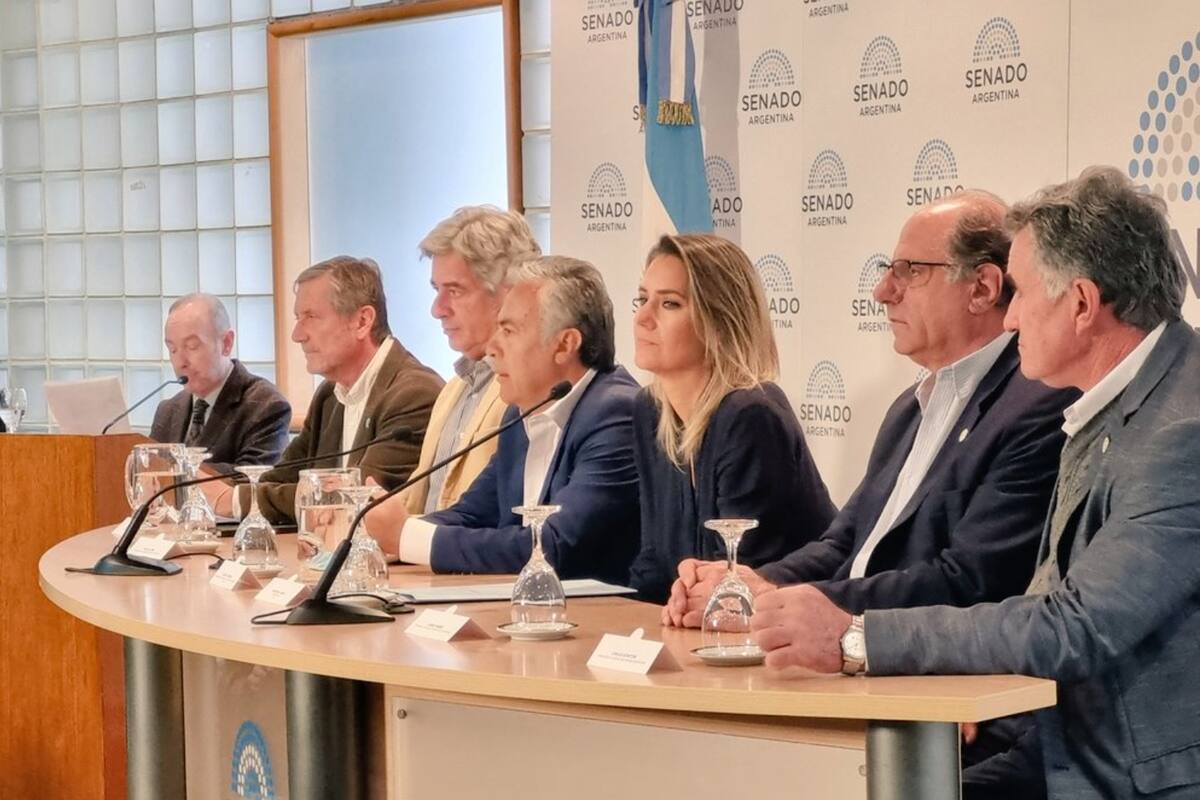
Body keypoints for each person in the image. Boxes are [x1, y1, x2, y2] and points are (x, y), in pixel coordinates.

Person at [751, 167, 1200, 799]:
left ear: (1081, 304)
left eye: (1019, 293)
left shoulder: (1182, 430)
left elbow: (1074, 627)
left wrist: (856, 638)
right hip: (1051, 736)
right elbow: (1045, 592)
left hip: (1128, 775)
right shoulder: (1113, 399)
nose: (1009, 318)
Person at [663, 192, 1079, 798]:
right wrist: (749, 585)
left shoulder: (1037, 404)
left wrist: (798, 606)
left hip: (945, 699)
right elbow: (841, 544)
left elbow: (969, 579)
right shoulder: (908, 410)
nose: (884, 291)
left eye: (909, 271)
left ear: (984, 288)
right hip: (860, 678)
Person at [365, 255, 641, 584]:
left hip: (609, 620)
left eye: (508, 330)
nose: (492, 347)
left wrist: (405, 536)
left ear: (565, 344)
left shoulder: (617, 415)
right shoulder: (523, 410)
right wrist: (378, 535)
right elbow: (472, 515)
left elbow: (553, 546)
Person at [628, 233, 835, 602]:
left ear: (719, 322)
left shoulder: (750, 416)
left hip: (784, 630)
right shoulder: (650, 410)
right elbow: (653, 562)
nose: (643, 318)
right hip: (702, 626)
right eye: (643, 299)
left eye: (670, 304)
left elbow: (746, 573)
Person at [207, 255, 443, 524]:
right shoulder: (329, 395)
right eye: (298, 318)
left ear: (362, 321)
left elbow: (355, 499)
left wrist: (234, 500)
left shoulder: (413, 394)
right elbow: (279, 477)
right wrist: (211, 485)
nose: (297, 334)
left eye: (311, 317)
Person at [397, 206, 541, 515]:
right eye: (437, 290)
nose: (438, 309)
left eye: (455, 291)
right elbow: (416, 504)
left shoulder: (530, 392)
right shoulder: (452, 391)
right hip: (422, 559)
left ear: (508, 292)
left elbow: (487, 516)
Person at [150, 293, 291, 474]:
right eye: (172, 349)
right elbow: (152, 474)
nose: (180, 362)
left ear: (226, 343)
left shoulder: (266, 405)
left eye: (192, 346)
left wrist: (177, 473)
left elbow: (252, 479)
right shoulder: (168, 410)